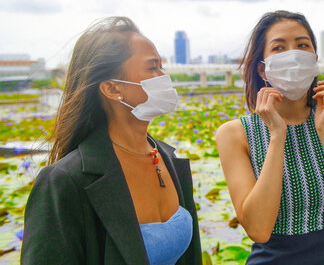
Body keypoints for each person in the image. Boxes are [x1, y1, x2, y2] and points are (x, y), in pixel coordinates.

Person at [21, 17, 202, 265]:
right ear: (113, 89)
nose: (164, 78)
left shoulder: (169, 159)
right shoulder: (65, 181)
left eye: (162, 67)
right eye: (152, 68)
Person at [216, 10, 324, 264]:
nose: (293, 55)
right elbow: (257, 229)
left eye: (302, 45)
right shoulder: (234, 134)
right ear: (262, 69)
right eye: (279, 48)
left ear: (314, 60)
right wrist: (277, 136)